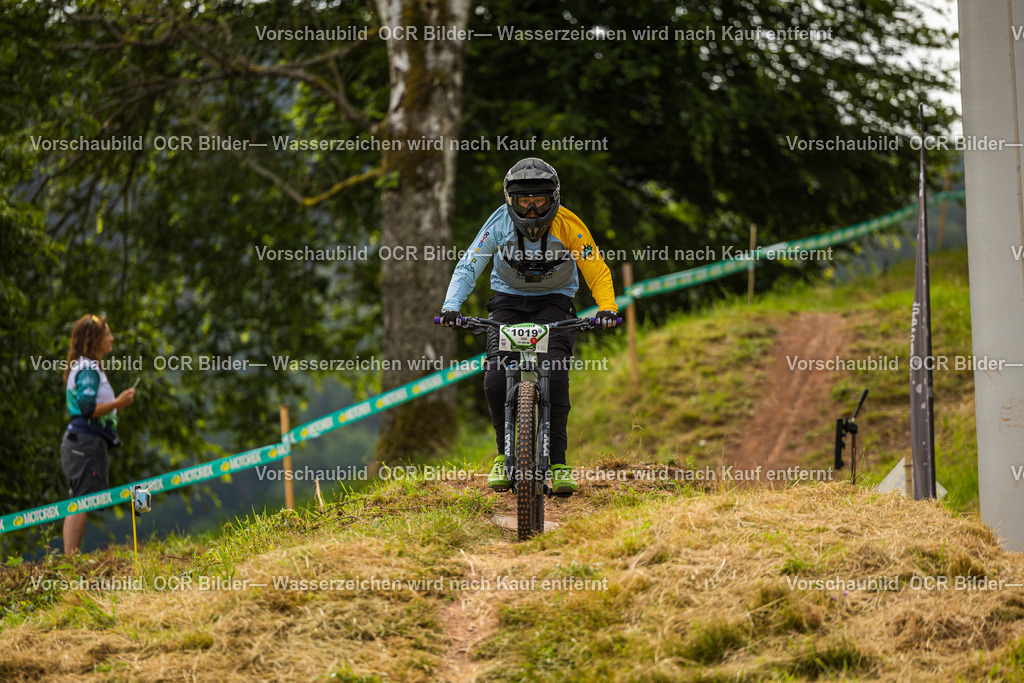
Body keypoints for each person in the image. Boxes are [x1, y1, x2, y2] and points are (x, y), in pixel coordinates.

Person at [439, 157, 619, 494]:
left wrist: (607, 308)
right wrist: (452, 306)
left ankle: (559, 463)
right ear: (511, 200)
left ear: (554, 199)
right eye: (525, 202)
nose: (533, 210)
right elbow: (468, 266)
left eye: (540, 201)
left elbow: (595, 268)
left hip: (555, 303)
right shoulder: (497, 224)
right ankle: (501, 456)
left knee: (555, 372)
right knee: (494, 376)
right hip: (507, 302)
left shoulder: (570, 225)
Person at [61, 314, 135, 554]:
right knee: (81, 499)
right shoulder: (87, 369)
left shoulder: (87, 367)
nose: (112, 338)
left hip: (85, 442)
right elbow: (87, 408)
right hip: (84, 441)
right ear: (95, 340)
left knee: (81, 498)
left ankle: (71, 558)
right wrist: (118, 403)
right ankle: (71, 559)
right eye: (107, 335)